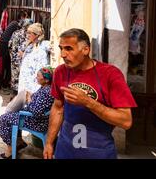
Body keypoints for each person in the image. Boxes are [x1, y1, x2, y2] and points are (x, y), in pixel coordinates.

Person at [43, 28, 137, 159]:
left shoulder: (110, 74)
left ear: (85, 50)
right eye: (61, 48)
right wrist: (49, 142)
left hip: (98, 152)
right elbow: (58, 108)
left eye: (69, 49)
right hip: (65, 150)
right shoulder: (60, 72)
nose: (63, 54)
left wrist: (87, 102)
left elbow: (126, 121)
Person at [0, 66, 54, 159]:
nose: (36, 77)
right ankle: (19, 142)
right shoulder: (46, 88)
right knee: (12, 114)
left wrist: (28, 99)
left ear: (46, 80)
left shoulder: (46, 92)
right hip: (38, 120)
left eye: (38, 76)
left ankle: (10, 150)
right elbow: (39, 105)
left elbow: (36, 112)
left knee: (4, 118)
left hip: (36, 122)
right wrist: (31, 96)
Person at [0, 11, 28, 90]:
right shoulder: (16, 25)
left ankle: (5, 84)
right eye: (26, 17)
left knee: (7, 66)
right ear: (22, 17)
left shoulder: (14, 23)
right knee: (1, 66)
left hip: (7, 46)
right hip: (3, 46)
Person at [18, 23, 50, 94]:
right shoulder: (29, 46)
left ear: (37, 35)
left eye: (30, 33)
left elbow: (53, 46)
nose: (27, 35)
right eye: (27, 33)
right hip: (25, 80)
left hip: (36, 81)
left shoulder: (44, 45)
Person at [9, 18, 33, 94]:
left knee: (14, 75)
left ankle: (14, 93)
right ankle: (20, 94)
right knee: (21, 76)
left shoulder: (15, 33)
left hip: (14, 57)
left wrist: (12, 54)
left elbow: (9, 44)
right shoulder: (28, 35)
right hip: (22, 58)